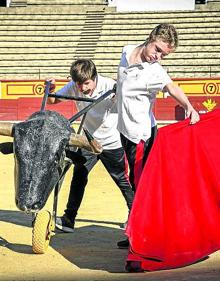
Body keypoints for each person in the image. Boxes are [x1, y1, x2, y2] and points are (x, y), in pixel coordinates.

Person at [116, 23, 200, 249]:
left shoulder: (155, 71)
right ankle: (137, 230)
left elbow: (172, 87)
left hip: (140, 136)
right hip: (124, 130)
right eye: (157, 50)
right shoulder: (126, 50)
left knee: (141, 187)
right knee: (135, 183)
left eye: (164, 54)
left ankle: (142, 236)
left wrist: (189, 106)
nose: (158, 57)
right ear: (150, 38)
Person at [46, 59, 134, 233]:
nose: (83, 88)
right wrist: (50, 89)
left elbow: (128, 106)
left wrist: (120, 97)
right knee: (78, 178)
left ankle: (136, 217)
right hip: (88, 141)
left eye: (86, 83)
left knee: (122, 180)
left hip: (112, 142)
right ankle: (69, 219)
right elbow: (51, 102)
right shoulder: (74, 85)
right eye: (79, 84)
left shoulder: (111, 85)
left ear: (95, 77)